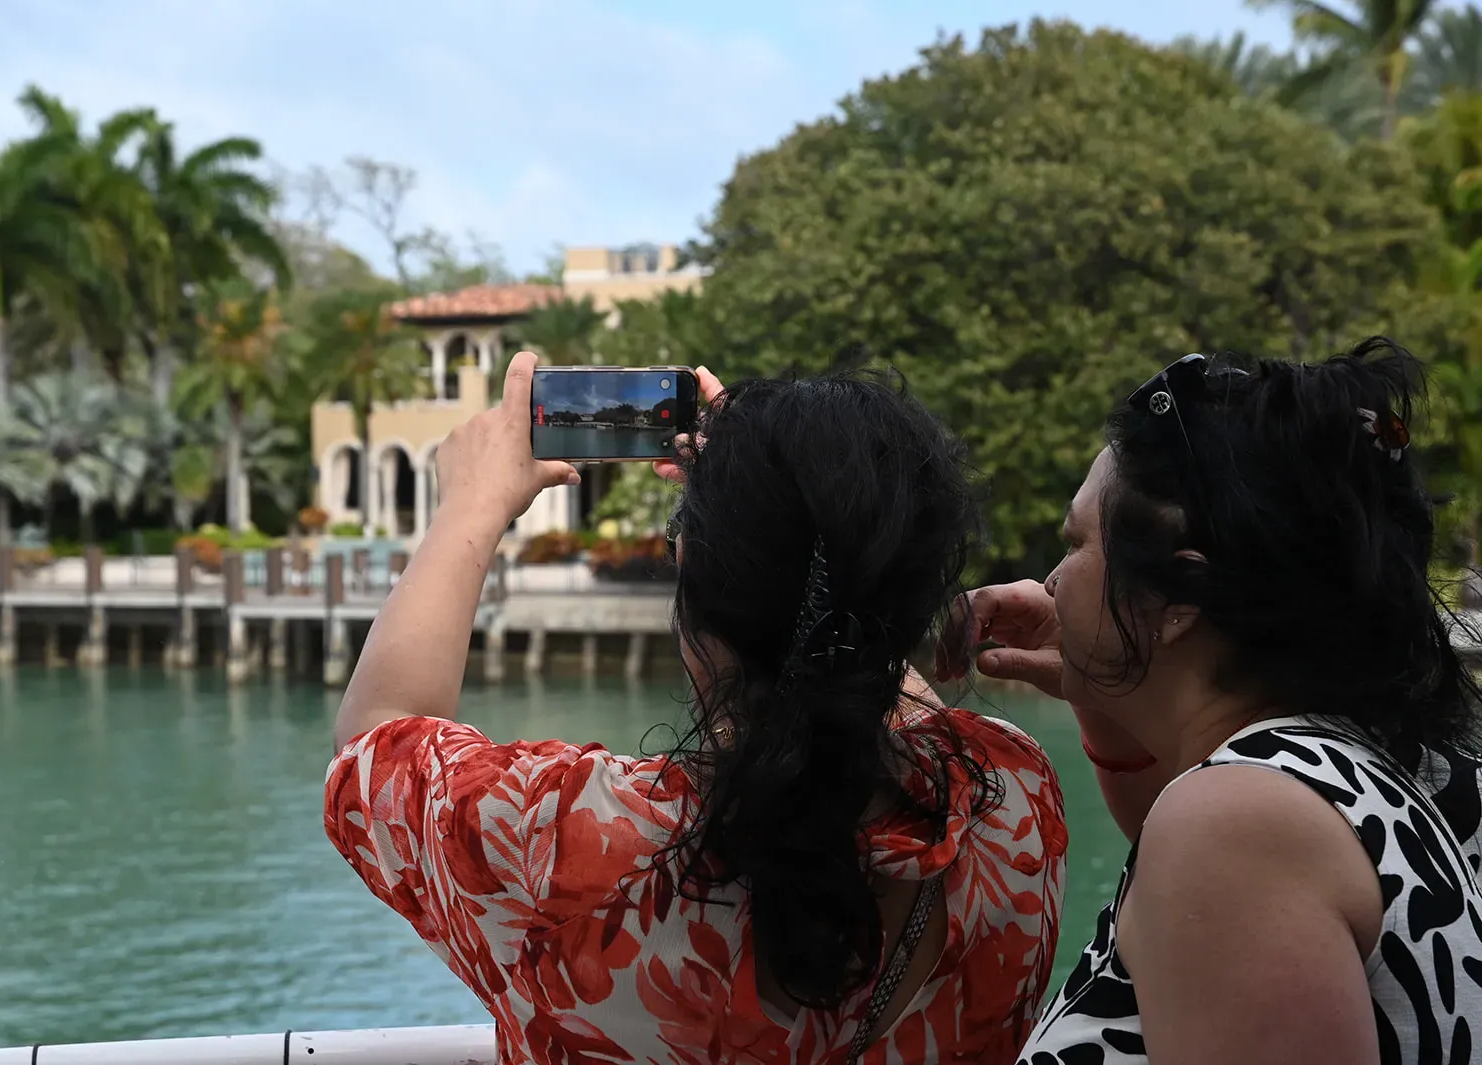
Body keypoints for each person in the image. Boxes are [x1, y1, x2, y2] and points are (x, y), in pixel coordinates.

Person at [324, 352, 1067, 1065]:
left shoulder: (573, 856)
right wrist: (800, 516)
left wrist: (472, 503)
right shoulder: (1011, 802)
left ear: (693, 575)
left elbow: (376, 745)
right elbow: (853, 654)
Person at [939, 338, 1482, 1065]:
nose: (1052, 580)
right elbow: (1180, 848)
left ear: (1178, 596)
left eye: (1075, 543)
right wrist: (1098, 673)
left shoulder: (1236, 831)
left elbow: (1214, 854)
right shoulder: (1390, 769)